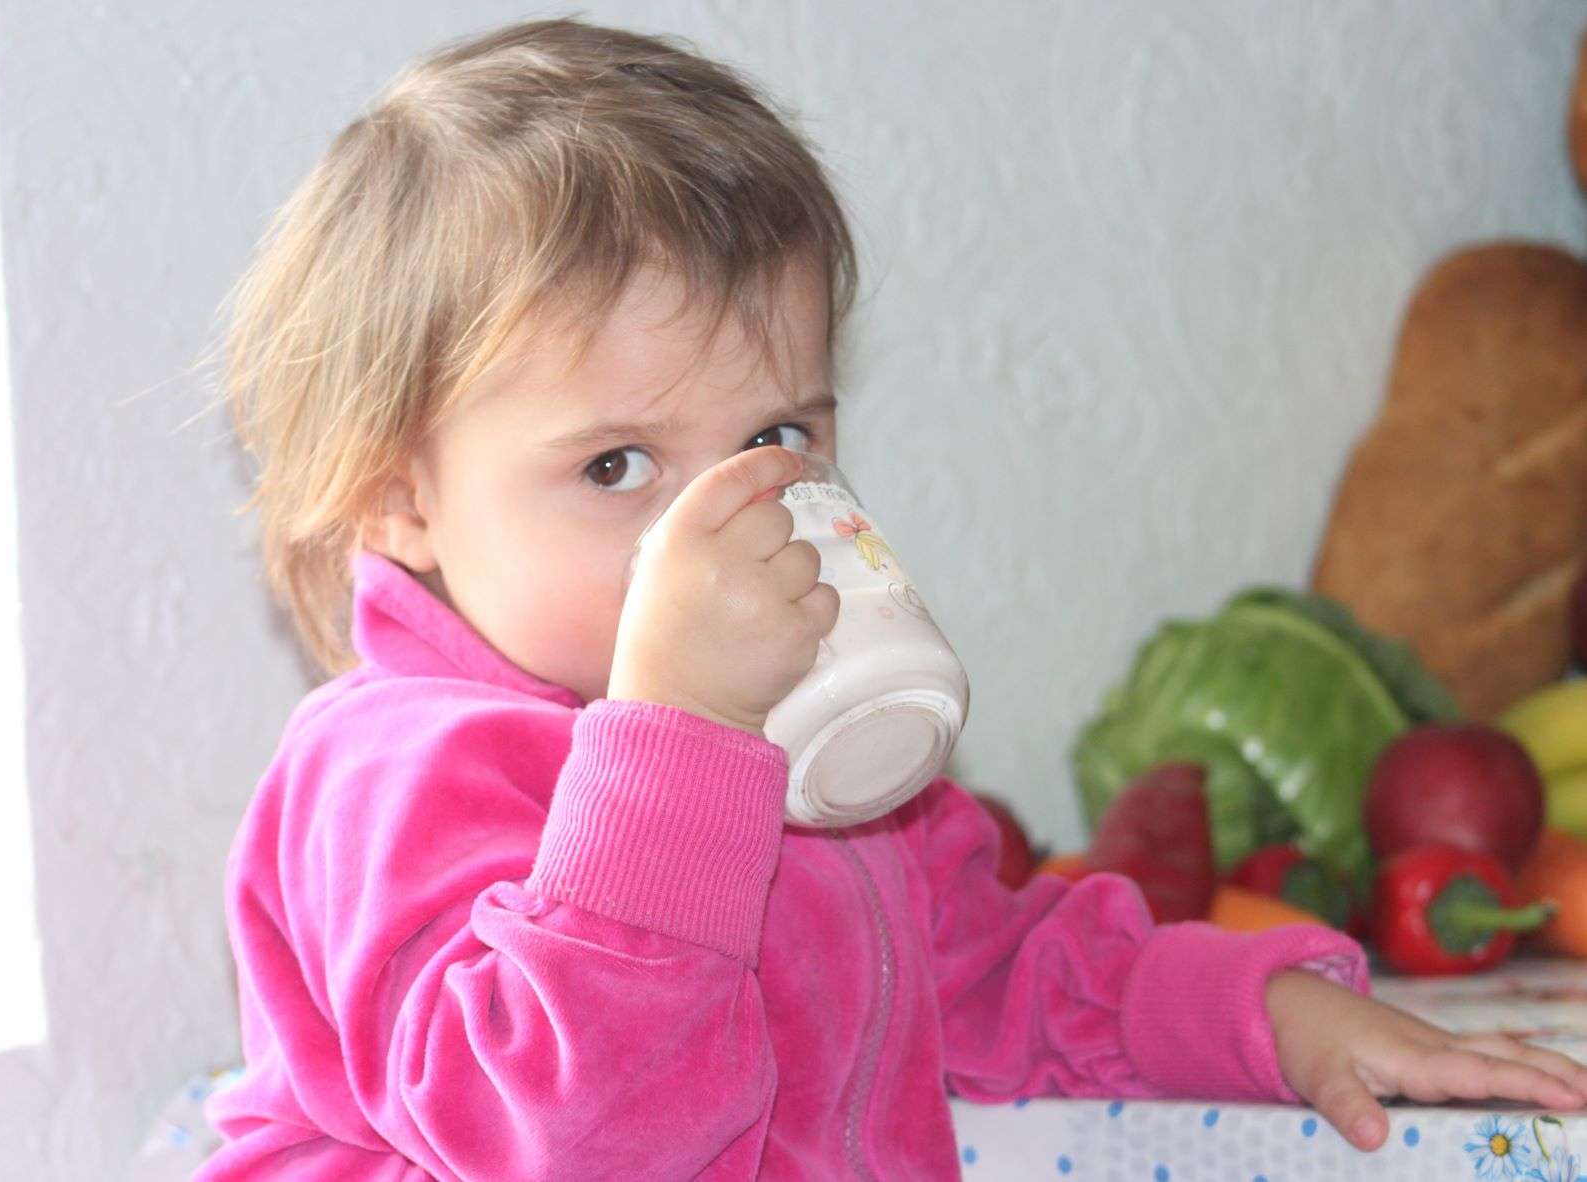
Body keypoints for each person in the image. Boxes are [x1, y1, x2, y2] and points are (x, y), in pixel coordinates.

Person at [193, 18, 1587, 1179]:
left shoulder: (809, 742)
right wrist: (680, 742)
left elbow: (997, 970)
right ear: (397, 497)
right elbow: (561, 1129)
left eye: (777, 439)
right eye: (616, 465)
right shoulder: (393, 776)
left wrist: (1269, 1016)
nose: (723, 526)